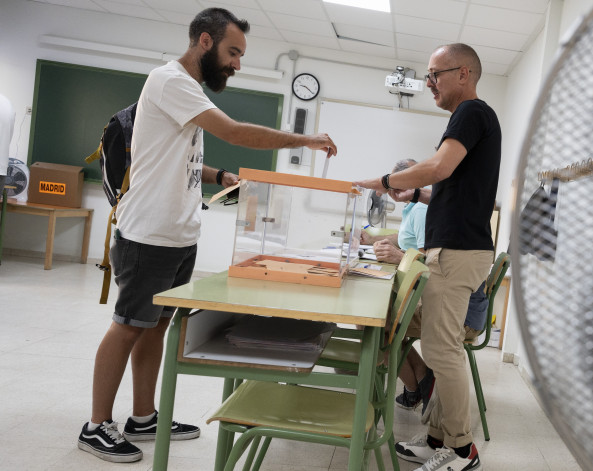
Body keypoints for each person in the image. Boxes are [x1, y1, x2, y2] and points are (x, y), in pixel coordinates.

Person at [77, 8, 338, 463]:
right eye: (233, 52)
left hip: (178, 235)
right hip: (149, 236)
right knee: (126, 327)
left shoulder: (188, 90)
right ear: (204, 41)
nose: (237, 63)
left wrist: (218, 175)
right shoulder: (170, 80)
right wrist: (305, 140)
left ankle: (143, 416)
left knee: (156, 327)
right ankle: (95, 426)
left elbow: (171, 155)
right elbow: (234, 132)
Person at [355, 42, 499, 471]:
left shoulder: (471, 113)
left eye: (436, 74)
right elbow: (448, 186)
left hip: (458, 252)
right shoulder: (470, 119)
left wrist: (381, 181)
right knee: (424, 341)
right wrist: (415, 193)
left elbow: (439, 166)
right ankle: (437, 437)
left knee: (442, 351)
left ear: (464, 75)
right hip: (451, 249)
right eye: (428, 75)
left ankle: (460, 450)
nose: (429, 83)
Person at [364, 159, 489, 412]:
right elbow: (412, 245)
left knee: (377, 321)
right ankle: (421, 377)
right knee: (382, 318)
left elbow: (427, 265)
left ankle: (416, 385)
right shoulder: (424, 208)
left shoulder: (425, 210)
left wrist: (400, 258)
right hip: (458, 304)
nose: (395, 194)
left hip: (458, 313)